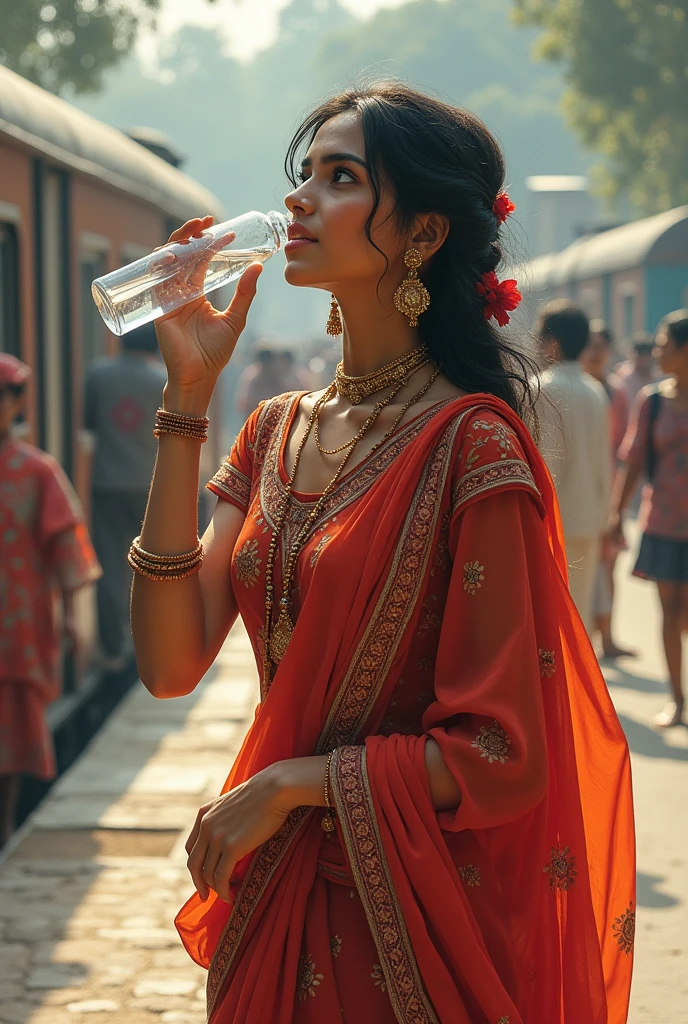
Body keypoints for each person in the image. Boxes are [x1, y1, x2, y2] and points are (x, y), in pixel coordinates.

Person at [130, 83, 634, 1023]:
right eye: (304, 174)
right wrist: (188, 400)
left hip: (409, 930)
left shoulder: (471, 447)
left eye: (340, 177)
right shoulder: (274, 432)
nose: (299, 199)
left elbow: (502, 752)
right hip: (272, 911)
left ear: (424, 235)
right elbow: (167, 664)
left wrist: (288, 786)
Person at [0, 354, 100, 846]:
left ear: (17, 401)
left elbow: (67, 553)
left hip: (17, 627)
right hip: (18, 620)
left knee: (11, 736)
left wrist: (77, 623)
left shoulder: (37, 472)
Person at [609, 310, 688, 728]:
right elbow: (634, 461)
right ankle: (677, 699)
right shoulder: (652, 401)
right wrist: (617, 512)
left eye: (665, 345)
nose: (658, 352)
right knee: (670, 612)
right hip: (662, 524)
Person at [84, 322, 167, 669]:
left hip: (107, 482)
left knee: (110, 564)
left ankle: (114, 647)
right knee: (152, 567)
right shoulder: (161, 379)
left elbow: (88, 425)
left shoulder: (98, 375)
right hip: (150, 486)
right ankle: (153, 644)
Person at [536, 301, 612, 634]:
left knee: (548, 621)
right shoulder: (595, 390)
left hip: (553, 521)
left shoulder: (541, 388)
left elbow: (544, 465)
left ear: (551, 344)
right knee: (577, 622)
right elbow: (603, 463)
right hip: (589, 517)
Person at [580, 322, 633, 657]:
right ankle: (583, 639)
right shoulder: (577, 389)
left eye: (602, 346)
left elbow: (626, 447)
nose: (596, 353)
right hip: (581, 490)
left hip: (609, 489)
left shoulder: (616, 392)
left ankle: (608, 638)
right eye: (591, 345)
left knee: (609, 567)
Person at [615, 333, 659, 407]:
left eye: (644, 354)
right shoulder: (623, 375)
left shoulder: (658, 376)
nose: (642, 359)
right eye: (639, 354)